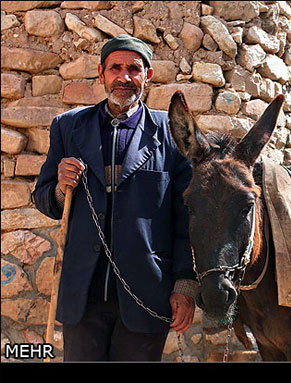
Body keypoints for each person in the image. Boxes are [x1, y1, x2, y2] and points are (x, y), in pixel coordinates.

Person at [33, 35, 197, 361]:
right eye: (116, 68)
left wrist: (185, 285)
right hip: (82, 294)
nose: (124, 77)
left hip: (146, 295)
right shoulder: (68, 128)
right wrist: (59, 187)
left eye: (133, 69)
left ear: (147, 76)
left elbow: (186, 218)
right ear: (101, 73)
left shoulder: (171, 133)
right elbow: (43, 198)